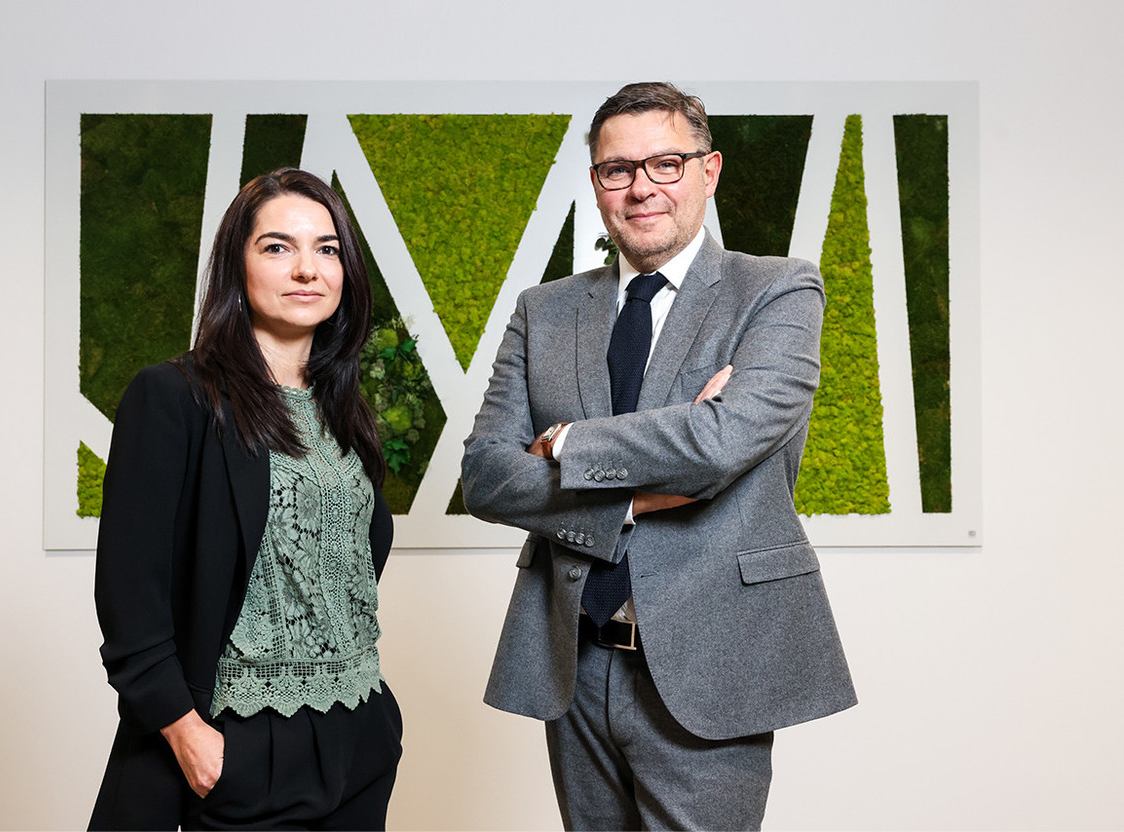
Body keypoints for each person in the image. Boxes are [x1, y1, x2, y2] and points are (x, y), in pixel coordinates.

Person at [461, 82, 856, 830]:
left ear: (707, 172)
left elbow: (719, 444)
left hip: (711, 664)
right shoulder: (542, 310)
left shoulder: (775, 291)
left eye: (665, 163)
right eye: (618, 169)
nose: (641, 186)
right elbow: (485, 475)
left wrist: (566, 441)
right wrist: (634, 498)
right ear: (596, 185)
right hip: (572, 660)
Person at [89, 168, 402, 830]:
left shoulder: (344, 410)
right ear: (237, 263)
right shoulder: (174, 397)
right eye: (277, 247)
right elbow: (129, 590)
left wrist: (377, 725)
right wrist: (183, 731)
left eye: (327, 249)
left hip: (359, 732)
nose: (306, 269)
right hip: (239, 740)